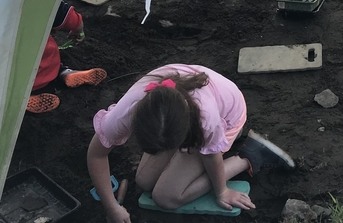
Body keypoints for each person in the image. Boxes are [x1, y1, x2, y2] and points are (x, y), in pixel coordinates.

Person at [87, 64, 295, 222]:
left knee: (166, 198)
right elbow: (97, 154)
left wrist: (221, 190)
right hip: (183, 110)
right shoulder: (128, 110)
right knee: (143, 182)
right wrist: (111, 206)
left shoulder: (205, 118)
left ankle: (250, 154)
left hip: (229, 113)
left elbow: (210, 155)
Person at [28, 0, 107, 113]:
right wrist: (77, 28)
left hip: (12, 76)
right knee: (45, 55)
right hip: (46, 63)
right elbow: (61, 11)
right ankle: (65, 72)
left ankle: (21, 100)